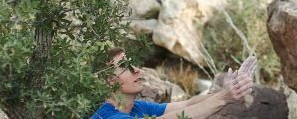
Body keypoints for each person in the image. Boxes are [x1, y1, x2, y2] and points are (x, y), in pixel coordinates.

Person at [90, 48, 256, 118]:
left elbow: (187, 104)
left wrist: (225, 91)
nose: (136, 70)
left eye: (132, 63)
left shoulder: (138, 107)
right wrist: (223, 97)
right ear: (108, 81)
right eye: (124, 67)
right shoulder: (108, 116)